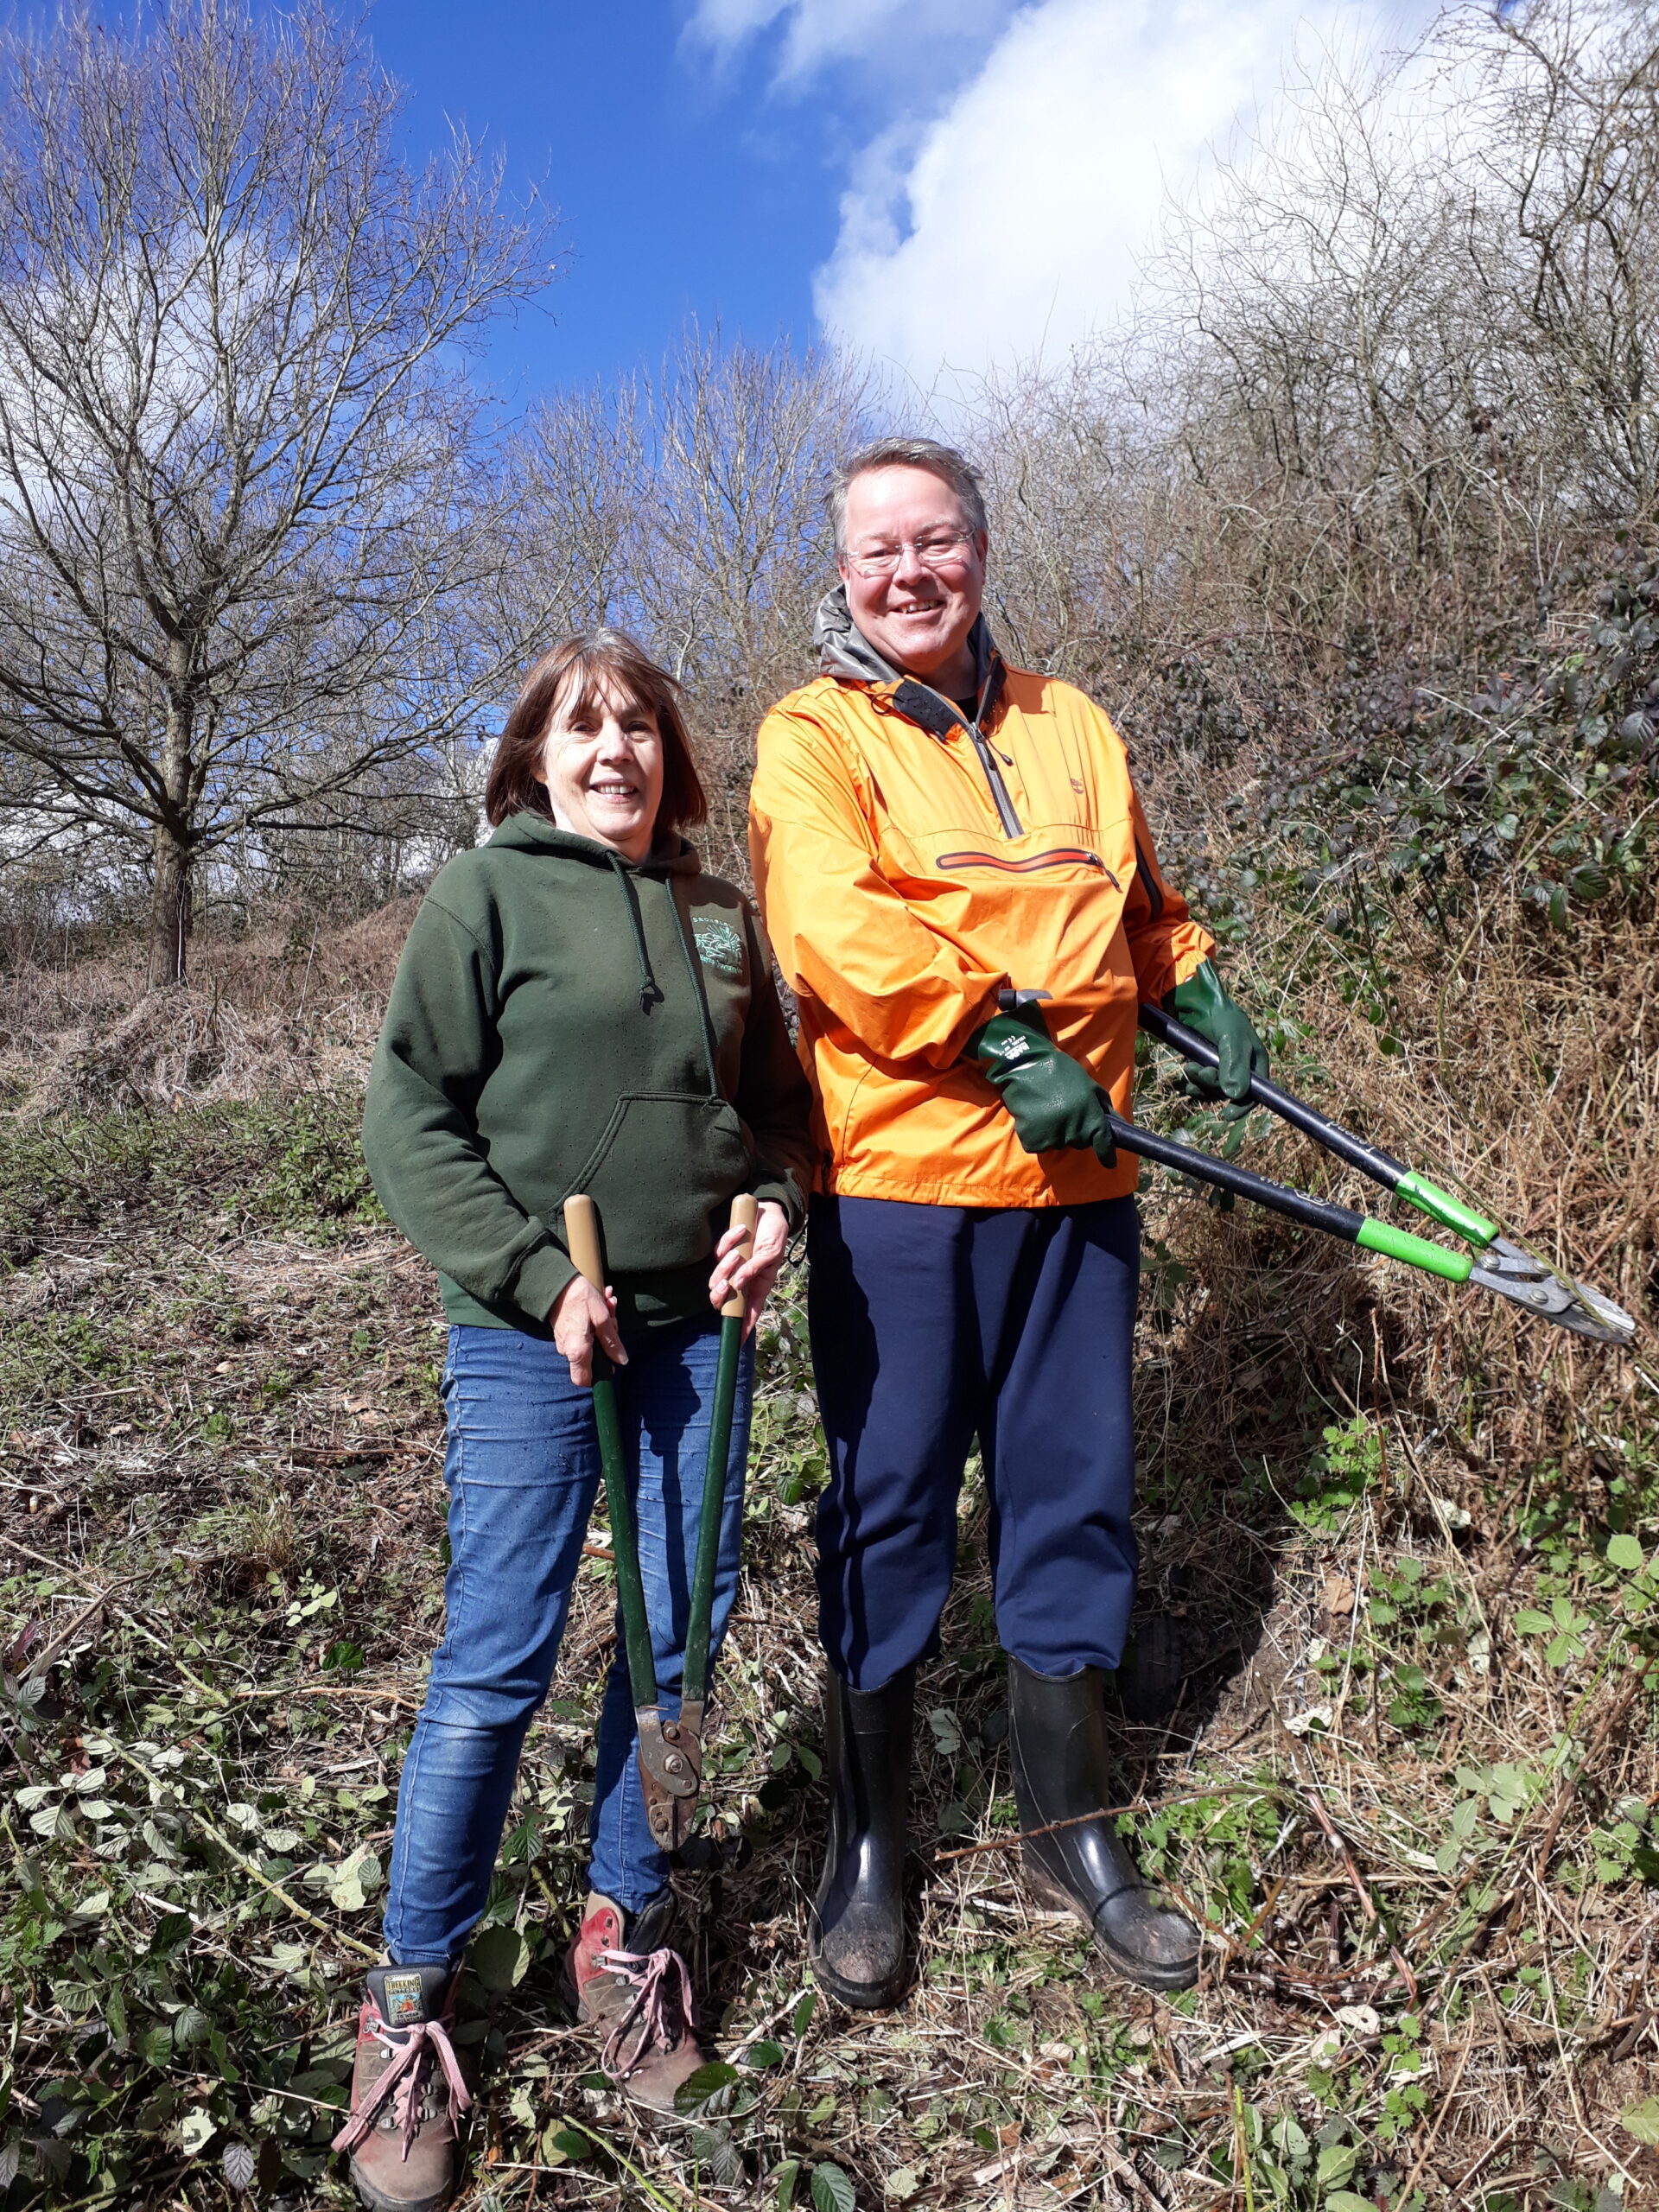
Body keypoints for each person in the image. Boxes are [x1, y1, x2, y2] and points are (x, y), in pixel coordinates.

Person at [748, 438, 1268, 2010]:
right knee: (891, 1499)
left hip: (1079, 1183)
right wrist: (1001, 1037)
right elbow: (834, 932)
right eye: (876, 550)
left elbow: (1131, 899)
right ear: (841, 573)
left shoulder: (1073, 722)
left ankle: (1072, 1827)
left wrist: (1190, 978)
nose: (908, 573)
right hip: (903, 1185)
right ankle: (869, 1845)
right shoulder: (811, 736)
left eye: (937, 541)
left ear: (982, 549)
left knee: (1071, 1491)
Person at [339, 630, 814, 2212]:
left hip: (697, 1328)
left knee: (677, 1641)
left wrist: (767, 1203)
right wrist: (537, 1274)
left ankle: (622, 1928)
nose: (615, 751)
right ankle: (407, 2004)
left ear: (674, 756)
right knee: (498, 1657)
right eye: (581, 728)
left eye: (640, 729)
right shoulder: (486, 894)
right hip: (535, 1334)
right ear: (534, 757)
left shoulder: (719, 916)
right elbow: (409, 1114)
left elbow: (774, 1115)